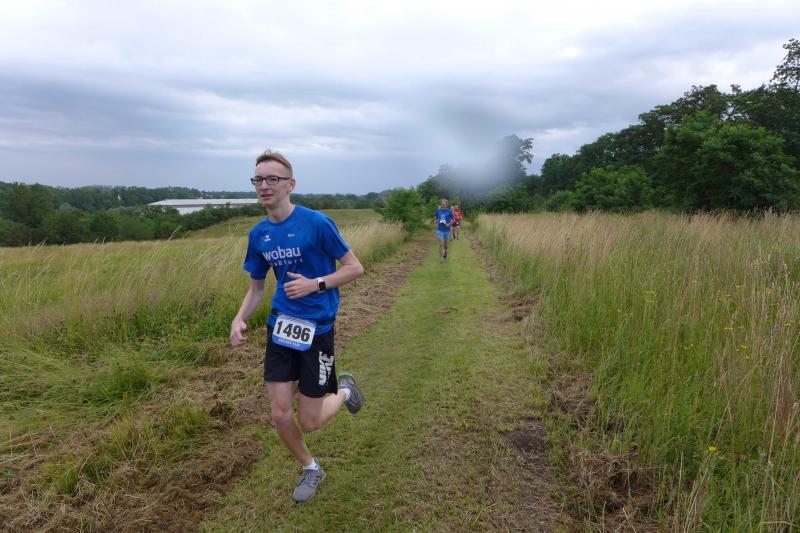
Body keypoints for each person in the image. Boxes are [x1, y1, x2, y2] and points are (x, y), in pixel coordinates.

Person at [229, 150, 365, 503]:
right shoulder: (259, 234)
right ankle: (311, 467)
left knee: (310, 421)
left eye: (272, 179)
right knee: (279, 414)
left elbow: (354, 268)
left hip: (317, 329)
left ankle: (345, 391)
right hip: (281, 327)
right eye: (258, 179)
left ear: (291, 184)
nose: (264, 185)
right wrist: (239, 318)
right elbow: (256, 289)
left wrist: (315, 284)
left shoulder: (316, 223)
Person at [434, 198, 454, 263]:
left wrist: (449, 224)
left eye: (445, 204)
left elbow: (453, 220)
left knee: (445, 245)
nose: (444, 205)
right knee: (441, 244)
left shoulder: (449, 211)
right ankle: (441, 258)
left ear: (447, 205)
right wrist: (436, 221)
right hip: (440, 230)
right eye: (442, 204)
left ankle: (445, 251)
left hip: (447, 230)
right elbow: (436, 218)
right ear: (441, 204)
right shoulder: (438, 211)